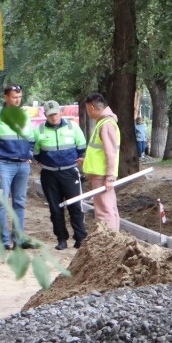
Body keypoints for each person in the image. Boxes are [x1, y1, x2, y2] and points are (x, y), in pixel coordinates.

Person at [0, 82, 36, 250]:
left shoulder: (24, 115)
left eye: (20, 97)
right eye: (14, 97)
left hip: (22, 165)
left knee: (19, 203)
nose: (18, 100)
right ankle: (3, 241)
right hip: (3, 165)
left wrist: (29, 154)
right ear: (5, 97)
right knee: (1, 203)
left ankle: (19, 240)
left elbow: (31, 138)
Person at [35, 100, 88, 250]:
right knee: (55, 208)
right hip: (49, 175)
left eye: (56, 113)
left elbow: (81, 147)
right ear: (46, 115)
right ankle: (61, 239)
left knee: (75, 206)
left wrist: (74, 160)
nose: (54, 117)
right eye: (50, 114)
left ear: (60, 112)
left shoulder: (73, 126)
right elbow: (36, 153)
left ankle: (80, 238)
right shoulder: (38, 130)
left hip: (70, 173)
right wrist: (49, 162)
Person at [81, 93, 122, 232]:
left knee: (104, 210)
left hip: (103, 175)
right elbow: (99, 151)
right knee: (109, 207)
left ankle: (109, 241)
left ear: (92, 107)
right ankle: (114, 240)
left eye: (87, 108)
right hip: (102, 174)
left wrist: (109, 177)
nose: (87, 112)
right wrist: (85, 161)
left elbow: (110, 153)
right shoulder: (104, 123)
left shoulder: (106, 124)